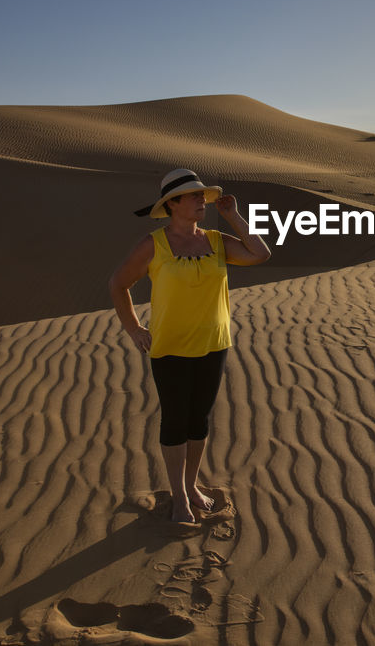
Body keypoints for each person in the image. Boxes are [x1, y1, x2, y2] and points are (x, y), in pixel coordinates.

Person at [109, 169, 270, 522]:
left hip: (214, 343)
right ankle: (179, 495)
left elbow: (259, 254)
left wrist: (234, 216)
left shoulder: (215, 240)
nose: (203, 200)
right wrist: (134, 328)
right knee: (175, 421)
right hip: (170, 346)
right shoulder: (154, 244)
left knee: (199, 421)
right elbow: (118, 284)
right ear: (172, 204)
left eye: (203, 195)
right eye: (194, 195)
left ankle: (193, 484)